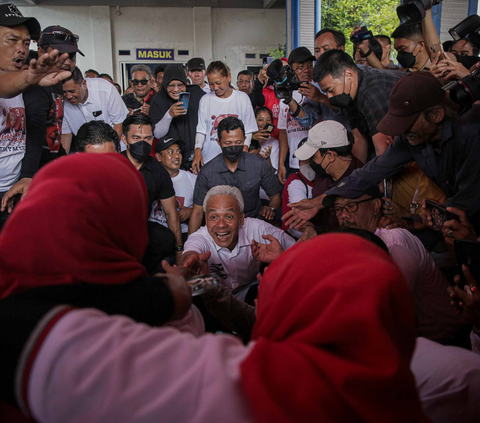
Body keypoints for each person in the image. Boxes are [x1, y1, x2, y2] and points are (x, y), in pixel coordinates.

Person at [0, 233, 428, 422]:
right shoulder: (409, 402)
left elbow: (34, 347)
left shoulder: (243, 388)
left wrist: (164, 296)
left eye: (273, 288)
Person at [323, 180, 466, 344]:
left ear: (376, 206)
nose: (344, 215)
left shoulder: (393, 240)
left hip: (444, 341)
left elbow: (390, 309)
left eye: (351, 206)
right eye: (339, 209)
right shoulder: (364, 242)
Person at [184, 185, 294, 301]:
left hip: (250, 292)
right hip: (214, 294)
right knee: (190, 292)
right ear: (206, 220)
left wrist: (282, 259)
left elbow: (298, 251)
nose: (221, 225)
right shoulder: (200, 237)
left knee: (274, 292)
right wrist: (188, 264)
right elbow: (191, 253)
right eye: (214, 217)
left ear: (241, 219)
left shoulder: (258, 229)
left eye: (229, 216)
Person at [188, 117, 281, 234]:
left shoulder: (258, 164)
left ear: (245, 140)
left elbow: (275, 197)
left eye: (238, 142)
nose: (233, 146)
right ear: (218, 142)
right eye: (228, 143)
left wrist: (270, 209)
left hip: (253, 223)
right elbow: (197, 212)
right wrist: (190, 246)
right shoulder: (207, 172)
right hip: (221, 228)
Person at [121, 114, 183, 272]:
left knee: (166, 239)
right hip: (114, 230)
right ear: (124, 139)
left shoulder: (158, 171)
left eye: (147, 138)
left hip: (141, 228)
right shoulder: (113, 165)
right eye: (136, 137)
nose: (142, 142)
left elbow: (171, 213)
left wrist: (179, 251)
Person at [313, 49, 403, 157]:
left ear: (349, 75)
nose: (329, 97)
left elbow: (384, 152)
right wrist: (353, 172)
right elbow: (359, 138)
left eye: (331, 90)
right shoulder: (351, 90)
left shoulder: (372, 93)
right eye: (325, 92)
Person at [0, 4, 42, 230]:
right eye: (12, 40)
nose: (22, 49)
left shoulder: (24, 85)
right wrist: (28, 78)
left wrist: (26, 176)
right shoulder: (19, 81)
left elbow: (34, 134)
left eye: (26, 43)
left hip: (13, 190)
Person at [23, 25, 81, 174]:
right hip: (32, 170)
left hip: (48, 163)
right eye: (59, 54)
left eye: (71, 56)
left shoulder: (57, 83)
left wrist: (63, 160)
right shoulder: (37, 86)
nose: (66, 61)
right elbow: (34, 136)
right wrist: (27, 176)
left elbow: (52, 131)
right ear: (41, 51)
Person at [294, 120, 364, 233]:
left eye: (313, 157)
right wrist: (310, 227)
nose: (311, 162)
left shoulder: (361, 180)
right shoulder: (323, 172)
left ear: (330, 156)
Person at [192, 61, 257, 170]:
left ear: (228, 77)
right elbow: (201, 130)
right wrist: (197, 150)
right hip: (210, 158)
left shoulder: (242, 98)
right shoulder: (205, 100)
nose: (215, 87)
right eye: (211, 84)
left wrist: (244, 150)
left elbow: (248, 129)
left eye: (218, 83)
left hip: (236, 158)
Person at [61, 67, 128, 153]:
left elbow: (118, 125)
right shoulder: (62, 101)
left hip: (114, 149)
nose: (68, 96)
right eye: (64, 92)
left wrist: (113, 152)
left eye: (72, 91)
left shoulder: (106, 90)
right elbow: (66, 136)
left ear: (84, 84)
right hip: (86, 154)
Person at [149, 64, 205, 166]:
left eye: (180, 85)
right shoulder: (159, 100)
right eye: (171, 85)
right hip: (171, 160)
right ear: (165, 85)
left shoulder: (196, 95)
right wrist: (169, 115)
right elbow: (157, 134)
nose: (175, 90)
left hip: (199, 154)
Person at [276, 47, 315, 182]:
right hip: (294, 162)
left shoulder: (318, 92)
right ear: (291, 71)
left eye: (310, 66)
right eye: (300, 67)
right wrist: (281, 163)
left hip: (316, 160)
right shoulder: (284, 95)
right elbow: (283, 133)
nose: (306, 70)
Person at [150, 137, 196, 243]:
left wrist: (192, 212)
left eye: (178, 152)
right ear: (158, 157)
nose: (176, 156)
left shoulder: (193, 180)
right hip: (155, 234)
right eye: (170, 152)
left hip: (184, 234)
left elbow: (208, 208)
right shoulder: (150, 178)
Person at [251, 106, 279, 172]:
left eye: (268, 120)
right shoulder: (246, 138)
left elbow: (273, 171)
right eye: (261, 120)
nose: (265, 123)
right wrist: (251, 137)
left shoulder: (274, 142)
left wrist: (267, 159)